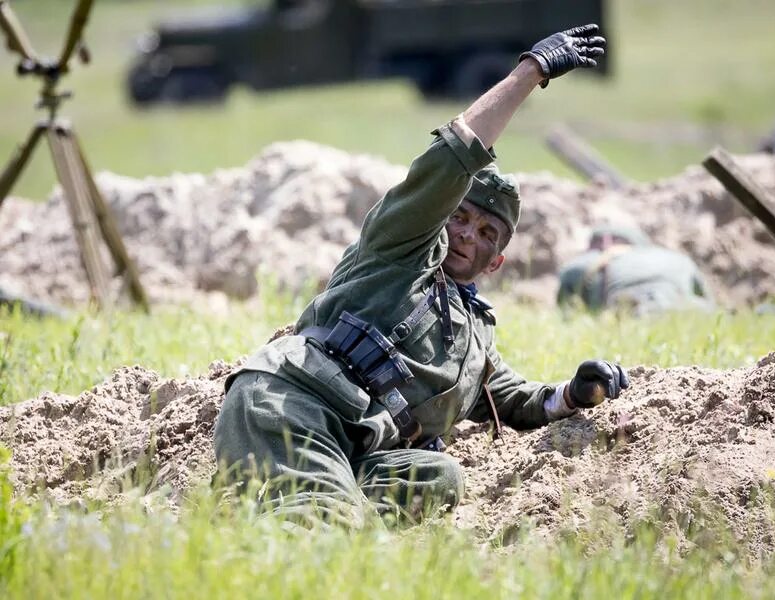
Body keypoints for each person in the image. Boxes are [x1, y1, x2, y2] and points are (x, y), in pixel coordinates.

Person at [214, 24, 628, 524]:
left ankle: (321, 516)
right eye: (461, 218)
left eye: (487, 233)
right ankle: (316, 519)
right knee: (321, 528)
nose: (470, 235)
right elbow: (450, 161)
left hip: (356, 444)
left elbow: (516, 400)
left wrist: (575, 394)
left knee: (439, 476)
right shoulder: (399, 247)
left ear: (495, 262)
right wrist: (530, 71)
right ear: (440, 216)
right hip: (298, 404)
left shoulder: (473, 338)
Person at [557, 224, 715, 314]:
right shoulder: (677, 258)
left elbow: (566, 311)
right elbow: (708, 299)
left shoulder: (583, 263)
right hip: (685, 312)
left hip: (628, 315)